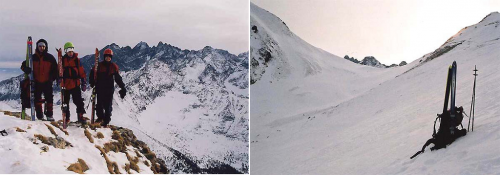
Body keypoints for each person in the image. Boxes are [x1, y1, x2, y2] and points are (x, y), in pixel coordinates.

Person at [20, 39, 58, 121]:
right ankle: (40, 116)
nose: (42, 48)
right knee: (37, 99)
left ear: (46, 47)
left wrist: (53, 78)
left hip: (47, 82)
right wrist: (25, 69)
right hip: (36, 82)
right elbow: (23, 65)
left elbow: (56, 69)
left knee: (49, 98)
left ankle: (49, 115)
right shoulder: (32, 58)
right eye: (40, 46)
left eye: (43, 46)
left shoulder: (50, 58)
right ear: (37, 46)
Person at [89, 48, 126, 127]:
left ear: (111, 57)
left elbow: (118, 78)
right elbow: (92, 74)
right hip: (100, 88)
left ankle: (106, 121)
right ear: (104, 57)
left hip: (109, 90)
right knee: (99, 105)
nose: (108, 58)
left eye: (109, 57)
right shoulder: (99, 66)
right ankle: (100, 118)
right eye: (106, 56)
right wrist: (92, 82)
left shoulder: (113, 67)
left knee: (107, 106)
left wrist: (122, 87)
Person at [60, 42, 87, 124]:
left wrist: (84, 82)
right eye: (68, 50)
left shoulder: (77, 61)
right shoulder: (62, 61)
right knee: (65, 102)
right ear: (65, 51)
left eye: (72, 50)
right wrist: (59, 79)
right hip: (65, 85)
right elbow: (59, 71)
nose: (70, 52)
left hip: (75, 84)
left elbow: (82, 72)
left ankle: (80, 116)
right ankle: (67, 118)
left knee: (78, 101)